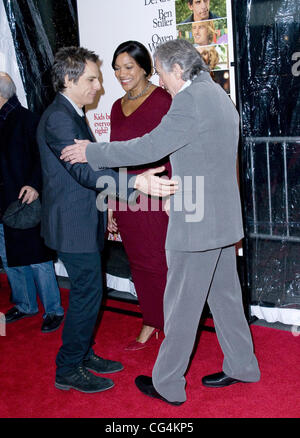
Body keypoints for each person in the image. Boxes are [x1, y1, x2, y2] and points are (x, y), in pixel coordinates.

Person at [61, 39, 260, 406]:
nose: (161, 80)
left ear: (178, 69)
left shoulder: (189, 100)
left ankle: (167, 382)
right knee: (226, 298)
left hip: (197, 220)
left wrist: (92, 151)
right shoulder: (217, 95)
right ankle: (243, 365)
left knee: (181, 304)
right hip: (221, 217)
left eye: (162, 71)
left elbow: (147, 147)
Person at [36, 46, 176, 394]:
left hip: (84, 221)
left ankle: (82, 354)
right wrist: (136, 183)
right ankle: (68, 367)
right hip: (73, 226)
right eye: (92, 78)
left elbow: (94, 164)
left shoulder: (71, 113)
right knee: (87, 295)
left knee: (90, 293)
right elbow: (85, 173)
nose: (100, 86)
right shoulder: (59, 118)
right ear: (70, 80)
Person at [108, 41, 172, 350]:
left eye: (128, 67)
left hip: (157, 192)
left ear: (145, 67)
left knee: (160, 261)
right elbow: (113, 157)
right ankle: (150, 319)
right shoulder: (115, 106)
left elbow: (175, 151)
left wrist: (174, 196)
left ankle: (171, 323)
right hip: (126, 194)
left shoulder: (162, 101)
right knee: (137, 262)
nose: (122, 73)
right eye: (117, 68)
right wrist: (110, 201)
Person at [0, 72, 64, 333]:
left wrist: (35, 185)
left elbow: (45, 157)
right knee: (7, 256)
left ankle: (53, 310)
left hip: (24, 199)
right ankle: (25, 304)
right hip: (2, 200)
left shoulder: (28, 119)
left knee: (37, 257)